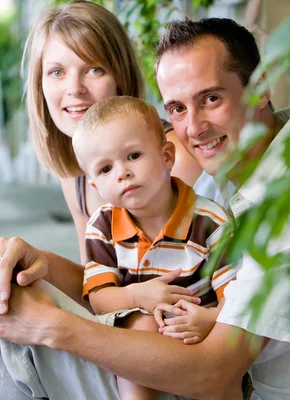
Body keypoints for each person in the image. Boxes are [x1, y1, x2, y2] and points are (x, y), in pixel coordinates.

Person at [0, 16, 290, 400]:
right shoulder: (229, 175)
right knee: (13, 298)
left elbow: (213, 374)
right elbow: (134, 282)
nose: (193, 127)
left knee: (8, 335)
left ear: (260, 90)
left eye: (211, 99)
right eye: (178, 108)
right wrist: (45, 263)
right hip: (204, 368)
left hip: (241, 387)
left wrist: (51, 327)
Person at [12, 0, 208, 272]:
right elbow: (96, 283)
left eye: (94, 69)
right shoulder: (74, 169)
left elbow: (191, 294)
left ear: (121, 77)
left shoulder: (172, 157)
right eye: (57, 72)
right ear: (40, 85)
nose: (75, 89)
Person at [72, 96, 239, 399]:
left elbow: (235, 296)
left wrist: (210, 321)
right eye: (106, 169)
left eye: (133, 156)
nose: (122, 172)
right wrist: (139, 296)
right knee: (141, 327)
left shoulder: (210, 222)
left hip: (196, 343)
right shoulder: (102, 227)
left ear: (166, 156)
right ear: (95, 186)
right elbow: (99, 298)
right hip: (138, 355)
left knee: (228, 371)